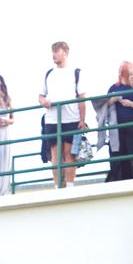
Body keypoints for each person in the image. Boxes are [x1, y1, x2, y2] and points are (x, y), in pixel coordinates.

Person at [39, 41, 86, 188]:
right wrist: (44, 101)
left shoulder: (76, 72)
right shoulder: (48, 74)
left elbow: (82, 98)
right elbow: (40, 96)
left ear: (65, 52)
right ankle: (57, 186)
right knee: (55, 155)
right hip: (52, 119)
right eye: (52, 52)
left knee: (70, 154)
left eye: (56, 51)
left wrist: (82, 120)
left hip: (72, 118)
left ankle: (70, 186)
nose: (54, 55)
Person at [105, 61, 133, 182]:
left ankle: (131, 180)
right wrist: (112, 99)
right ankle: (117, 181)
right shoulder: (114, 87)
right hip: (117, 126)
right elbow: (104, 105)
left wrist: (130, 104)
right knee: (118, 155)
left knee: (132, 154)